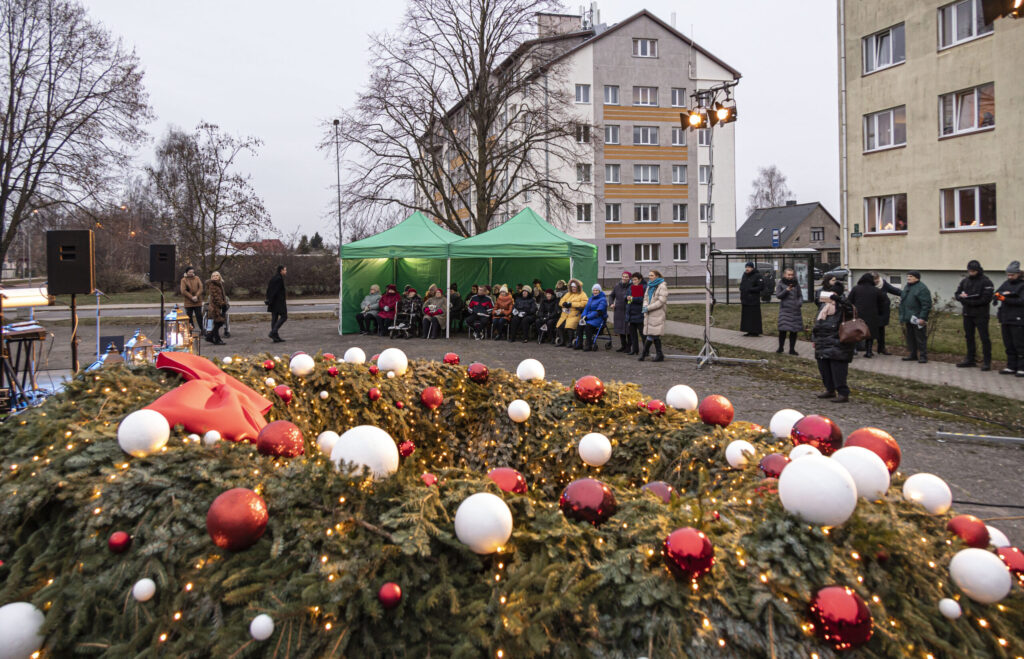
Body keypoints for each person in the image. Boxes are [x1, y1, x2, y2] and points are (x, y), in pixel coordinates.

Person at [813, 282, 854, 403]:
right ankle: (830, 389)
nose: (831, 295)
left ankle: (843, 392)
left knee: (838, 370)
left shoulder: (843, 306)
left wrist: (840, 300)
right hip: (822, 341)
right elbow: (818, 323)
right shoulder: (824, 306)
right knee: (824, 368)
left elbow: (851, 309)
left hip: (837, 342)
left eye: (834, 293)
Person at [954, 260, 994, 370]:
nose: (971, 273)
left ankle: (987, 362)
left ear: (978, 270)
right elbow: (957, 293)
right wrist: (961, 297)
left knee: (984, 338)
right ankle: (970, 359)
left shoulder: (986, 282)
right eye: (969, 271)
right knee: (969, 337)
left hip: (981, 314)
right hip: (967, 313)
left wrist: (970, 301)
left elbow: (986, 299)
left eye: (973, 271)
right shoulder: (965, 281)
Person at [995, 260, 1024, 376]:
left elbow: (1021, 301)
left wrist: (1005, 299)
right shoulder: (1006, 283)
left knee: (1020, 344)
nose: (1010, 277)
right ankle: (1011, 366)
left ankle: (1022, 367)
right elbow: (998, 292)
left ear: (1018, 274)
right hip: (1006, 318)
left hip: (1018, 319)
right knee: (1008, 344)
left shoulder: (1022, 285)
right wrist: (997, 297)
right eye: (1008, 275)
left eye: (1012, 275)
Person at [848, 273, 887, 358]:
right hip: (872, 315)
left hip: (858, 314)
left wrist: (851, 312)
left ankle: (854, 349)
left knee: (856, 332)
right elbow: (881, 303)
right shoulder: (876, 290)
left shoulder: (855, 289)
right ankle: (869, 351)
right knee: (870, 333)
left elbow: (849, 301)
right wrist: (880, 313)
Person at [899, 271, 932, 363]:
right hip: (908, 317)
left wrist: (922, 317)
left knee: (920, 338)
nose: (908, 278)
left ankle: (923, 356)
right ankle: (913, 354)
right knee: (911, 337)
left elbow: (926, 304)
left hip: (917, 318)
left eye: (911, 276)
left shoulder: (922, 288)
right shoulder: (908, 286)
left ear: (917, 278)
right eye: (908, 276)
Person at [639, 270, 668, 361]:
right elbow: (646, 298)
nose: (650, 277)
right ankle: (657, 354)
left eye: (652, 275)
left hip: (657, 313)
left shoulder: (662, 286)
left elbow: (661, 301)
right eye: (649, 275)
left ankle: (646, 354)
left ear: (657, 276)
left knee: (653, 334)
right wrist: (645, 306)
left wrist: (649, 308)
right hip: (649, 313)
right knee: (652, 334)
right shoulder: (650, 285)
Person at [774, 268, 803, 355]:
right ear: (784, 275)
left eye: (792, 275)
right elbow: (778, 296)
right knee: (783, 330)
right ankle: (780, 348)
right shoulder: (781, 284)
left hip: (795, 311)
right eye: (788, 274)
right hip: (785, 310)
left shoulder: (796, 284)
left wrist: (799, 303)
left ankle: (792, 349)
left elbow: (800, 295)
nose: (790, 276)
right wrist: (786, 290)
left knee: (794, 331)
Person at [872, 273, 900, 355]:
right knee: (871, 329)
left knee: (881, 329)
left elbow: (894, 290)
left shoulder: (883, 283)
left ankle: (881, 348)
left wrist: (905, 294)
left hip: (882, 310)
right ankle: (868, 349)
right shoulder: (868, 286)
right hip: (872, 310)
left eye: (877, 279)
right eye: (874, 279)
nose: (876, 281)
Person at [576, 284, 608, 351]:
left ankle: (589, 344)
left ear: (599, 291)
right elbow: (586, 309)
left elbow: (598, 312)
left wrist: (587, 317)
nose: (595, 292)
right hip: (589, 317)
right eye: (594, 290)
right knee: (580, 325)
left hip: (599, 318)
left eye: (596, 290)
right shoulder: (590, 298)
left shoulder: (603, 300)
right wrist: (583, 316)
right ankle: (579, 343)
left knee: (588, 326)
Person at [555, 279, 586, 346]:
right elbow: (561, 301)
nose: (573, 288)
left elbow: (584, 303)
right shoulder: (568, 294)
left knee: (569, 326)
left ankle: (570, 341)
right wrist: (564, 304)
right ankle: (562, 341)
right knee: (559, 326)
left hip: (575, 314)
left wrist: (572, 304)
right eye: (572, 287)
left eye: (575, 287)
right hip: (565, 314)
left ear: (578, 287)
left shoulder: (582, 294)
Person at [607, 271, 632, 352]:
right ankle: (623, 346)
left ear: (629, 278)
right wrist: (611, 303)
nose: (624, 278)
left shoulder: (633, 286)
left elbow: (638, 298)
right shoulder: (617, 286)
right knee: (620, 329)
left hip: (629, 311)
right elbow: (611, 295)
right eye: (623, 276)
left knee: (629, 330)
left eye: (626, 277)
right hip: (619, 311)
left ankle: (629, 347)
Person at [739, 262, 765, 336]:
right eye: (746, 267)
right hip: (745, 299)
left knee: (754, 317)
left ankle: (755, 332)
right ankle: (748, 330)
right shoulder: (745, 275)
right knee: (746, 316)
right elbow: (742, 284)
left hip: (753, 300)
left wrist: (750, 289)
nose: (747, 268)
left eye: (749, 267)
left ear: (752, 268)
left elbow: (761, 287)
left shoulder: (758, 275)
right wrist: (741, 289)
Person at [264, 265, 287, 342]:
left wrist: (269, 300)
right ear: (281, 270)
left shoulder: (274, 278)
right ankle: (273, 332)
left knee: (274, 318)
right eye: (285, 270)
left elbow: (269, 290)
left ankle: (275, 337)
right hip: (278, 302)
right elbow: (275, 291)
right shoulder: (279, 279)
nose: (286, 271)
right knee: (284, 316)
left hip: (273, 302)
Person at [204, 271, 228, 345]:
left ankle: (213, 338)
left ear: (219, 277)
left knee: (218, 323)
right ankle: (211, 337)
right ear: (212, 277)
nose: (215, 277)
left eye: (217, 275)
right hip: (215, 307)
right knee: (219, 322)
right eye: (213, 276)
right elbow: (215, 297)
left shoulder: (219, 284)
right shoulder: (212, 285)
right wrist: (223, 304)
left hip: (219, 306)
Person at [625, 273, 646, 355]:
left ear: (640, 279)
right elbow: (626, 295)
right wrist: (627, 297)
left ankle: (645, 350)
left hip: (639, 313)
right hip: (631, 313)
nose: (633, 281)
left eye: (635, 280)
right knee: (633, 334)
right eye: (632, 280)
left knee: (642, 334)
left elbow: (641, 299)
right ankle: (634, 349)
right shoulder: (630, 286)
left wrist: (633, 298)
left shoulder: (643, 287)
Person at [179, 266, 204, 332]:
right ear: (186, 272)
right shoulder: (183, 280)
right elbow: (183, 291)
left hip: (197, 301)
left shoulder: (197, 278)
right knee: (189, 318)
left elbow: (201, 288)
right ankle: (190, 331)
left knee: (199, 316)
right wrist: (191, 297)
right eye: (190, 272)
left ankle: (203, 330)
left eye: (192, 272)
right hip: (188, 302)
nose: (191, 273)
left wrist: (196, 296)